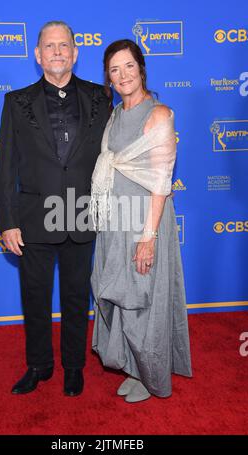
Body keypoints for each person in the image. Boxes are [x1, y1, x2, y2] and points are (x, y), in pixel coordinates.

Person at [0, 21, 110, 396]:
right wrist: (7, 222)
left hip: (81, 215)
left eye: (64, 45)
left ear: (76, 53)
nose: (57, 51)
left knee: (77, 298)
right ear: (38, 55)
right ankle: (40, 365)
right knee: (35, 297)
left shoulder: (100, 97)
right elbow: (6, 166)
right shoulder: (16, 102)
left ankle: (74, 367)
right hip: (32, 221)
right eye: (49, 46)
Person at [90, 39, 192, 403]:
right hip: (115, 222)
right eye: (114, 70)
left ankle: (150, 375)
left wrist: (148, 238)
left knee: (143, 299)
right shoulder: (115, 114)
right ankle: (133, 366)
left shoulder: (159, 114)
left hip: (145, 222)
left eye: (129, 66)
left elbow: (161, 184)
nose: (122, 75)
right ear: (109, 77)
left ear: (141, 68)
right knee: (120, 294)